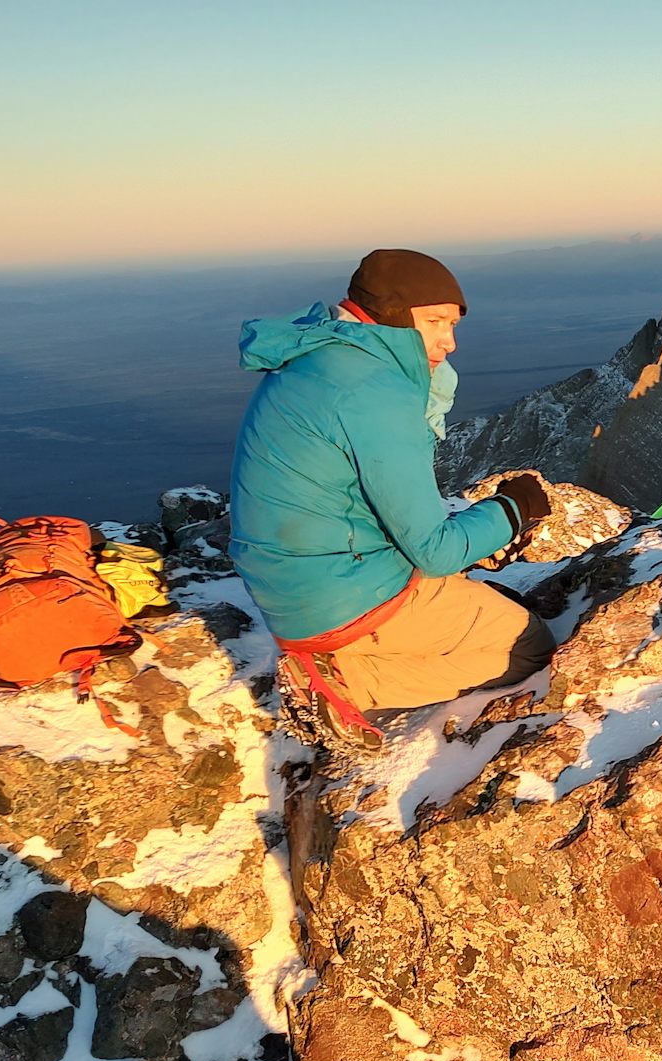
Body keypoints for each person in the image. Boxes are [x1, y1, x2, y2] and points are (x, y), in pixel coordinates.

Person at [228, 248, 555, 748]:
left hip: (291, 588)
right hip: (340, 599)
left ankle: (342, 657)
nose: (450, 341)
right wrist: (515, 508)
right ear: (395, 316)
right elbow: (436, 551)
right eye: (436, 321)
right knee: (528, 645)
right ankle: (350, 684)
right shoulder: (372, 392)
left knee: (481, 600)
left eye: (454, 323)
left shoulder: (321, 357)